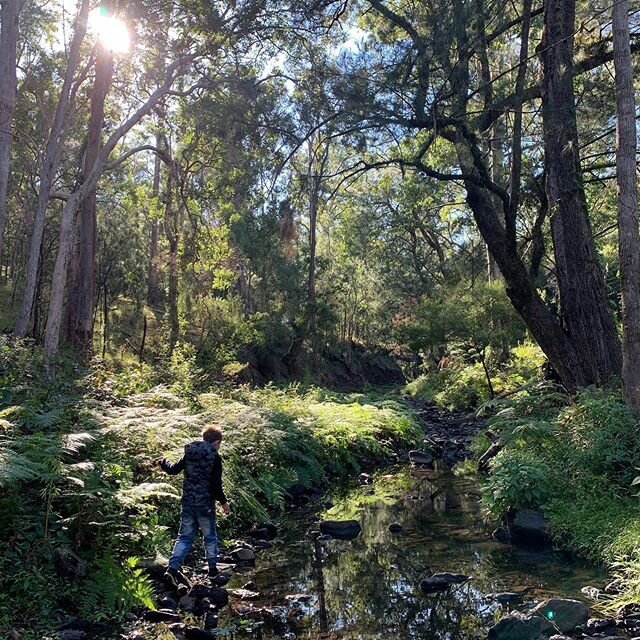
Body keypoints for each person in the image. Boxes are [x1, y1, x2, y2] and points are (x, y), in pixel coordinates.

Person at [159, 425, 230, 585]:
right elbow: (216, 485)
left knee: (184, 537)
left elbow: (173, 469)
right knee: (210, 537)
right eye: (219, 444)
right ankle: (212, 571)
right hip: (205, 504)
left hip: (188, 502)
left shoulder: (190, 453)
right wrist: (224, 502)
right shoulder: (214, 457)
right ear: (216, 442)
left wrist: (163, 462)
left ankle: (172, 569)